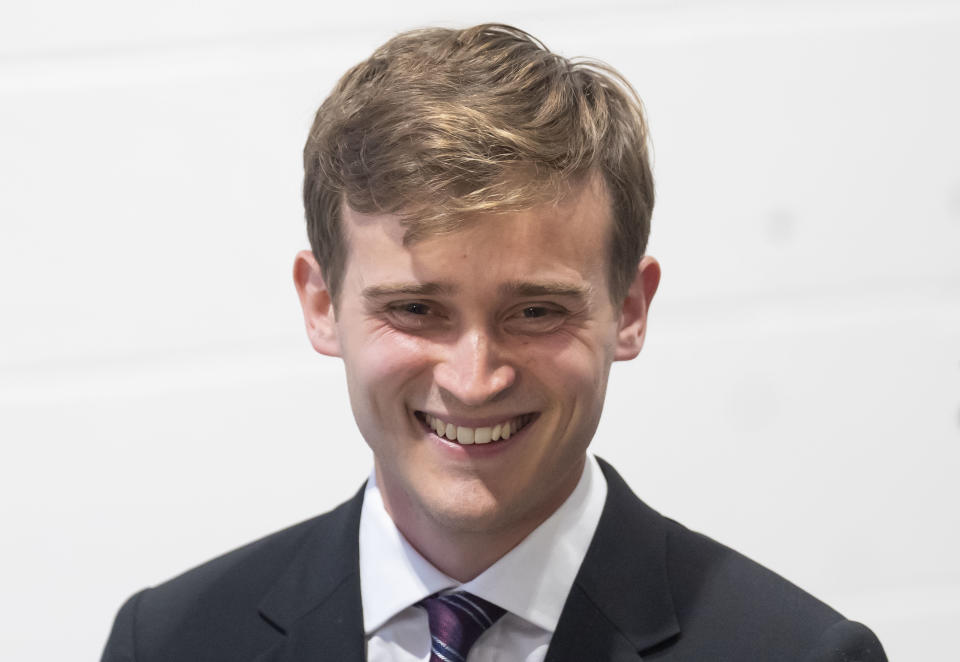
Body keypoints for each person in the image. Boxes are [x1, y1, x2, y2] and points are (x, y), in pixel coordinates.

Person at [101, 24, 887, 661]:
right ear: (321, 304)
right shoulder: (172, 642)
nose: (474, 379)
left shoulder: (800, 654)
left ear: (630, 310)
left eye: (537, 312)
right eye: (414, 309)